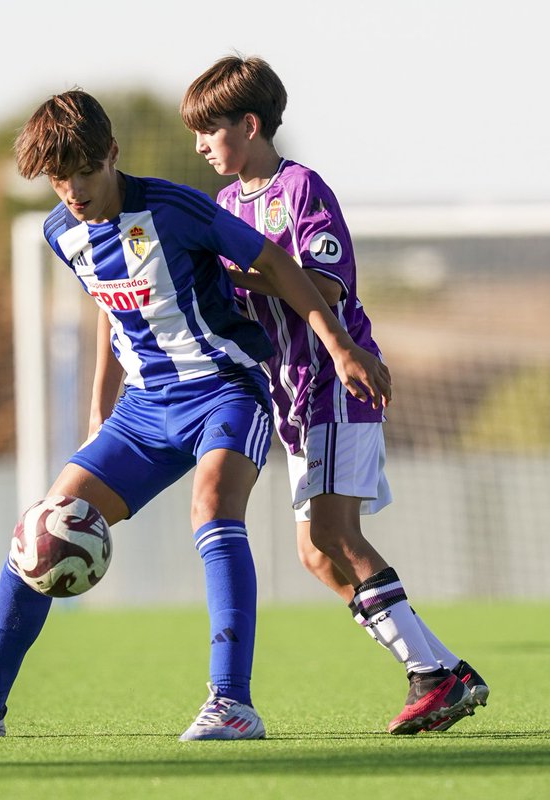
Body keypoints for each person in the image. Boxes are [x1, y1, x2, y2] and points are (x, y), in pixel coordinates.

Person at [0, 89, 391, 740]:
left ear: (110, 154)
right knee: (40, 531)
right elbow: (112, 310)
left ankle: (231, 703)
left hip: (224, 389)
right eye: (58, 179)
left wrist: (340, 347)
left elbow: (273, 262)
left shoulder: (174, 208)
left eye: (83, 171)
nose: (73, 190)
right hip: (143, 410)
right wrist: (100, 411)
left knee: (212, 508)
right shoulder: (60, 232)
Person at [181, 55, 489, 734]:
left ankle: (431, 675)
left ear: (251, 124)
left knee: (332, 532)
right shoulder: (228, 205)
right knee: (316, 554)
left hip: (334, 383)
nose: (199, 144)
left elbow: (321, 287)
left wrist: (249, 280)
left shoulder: (301, 190)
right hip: (289, 397)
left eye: (210, 129)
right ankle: (445, 670)